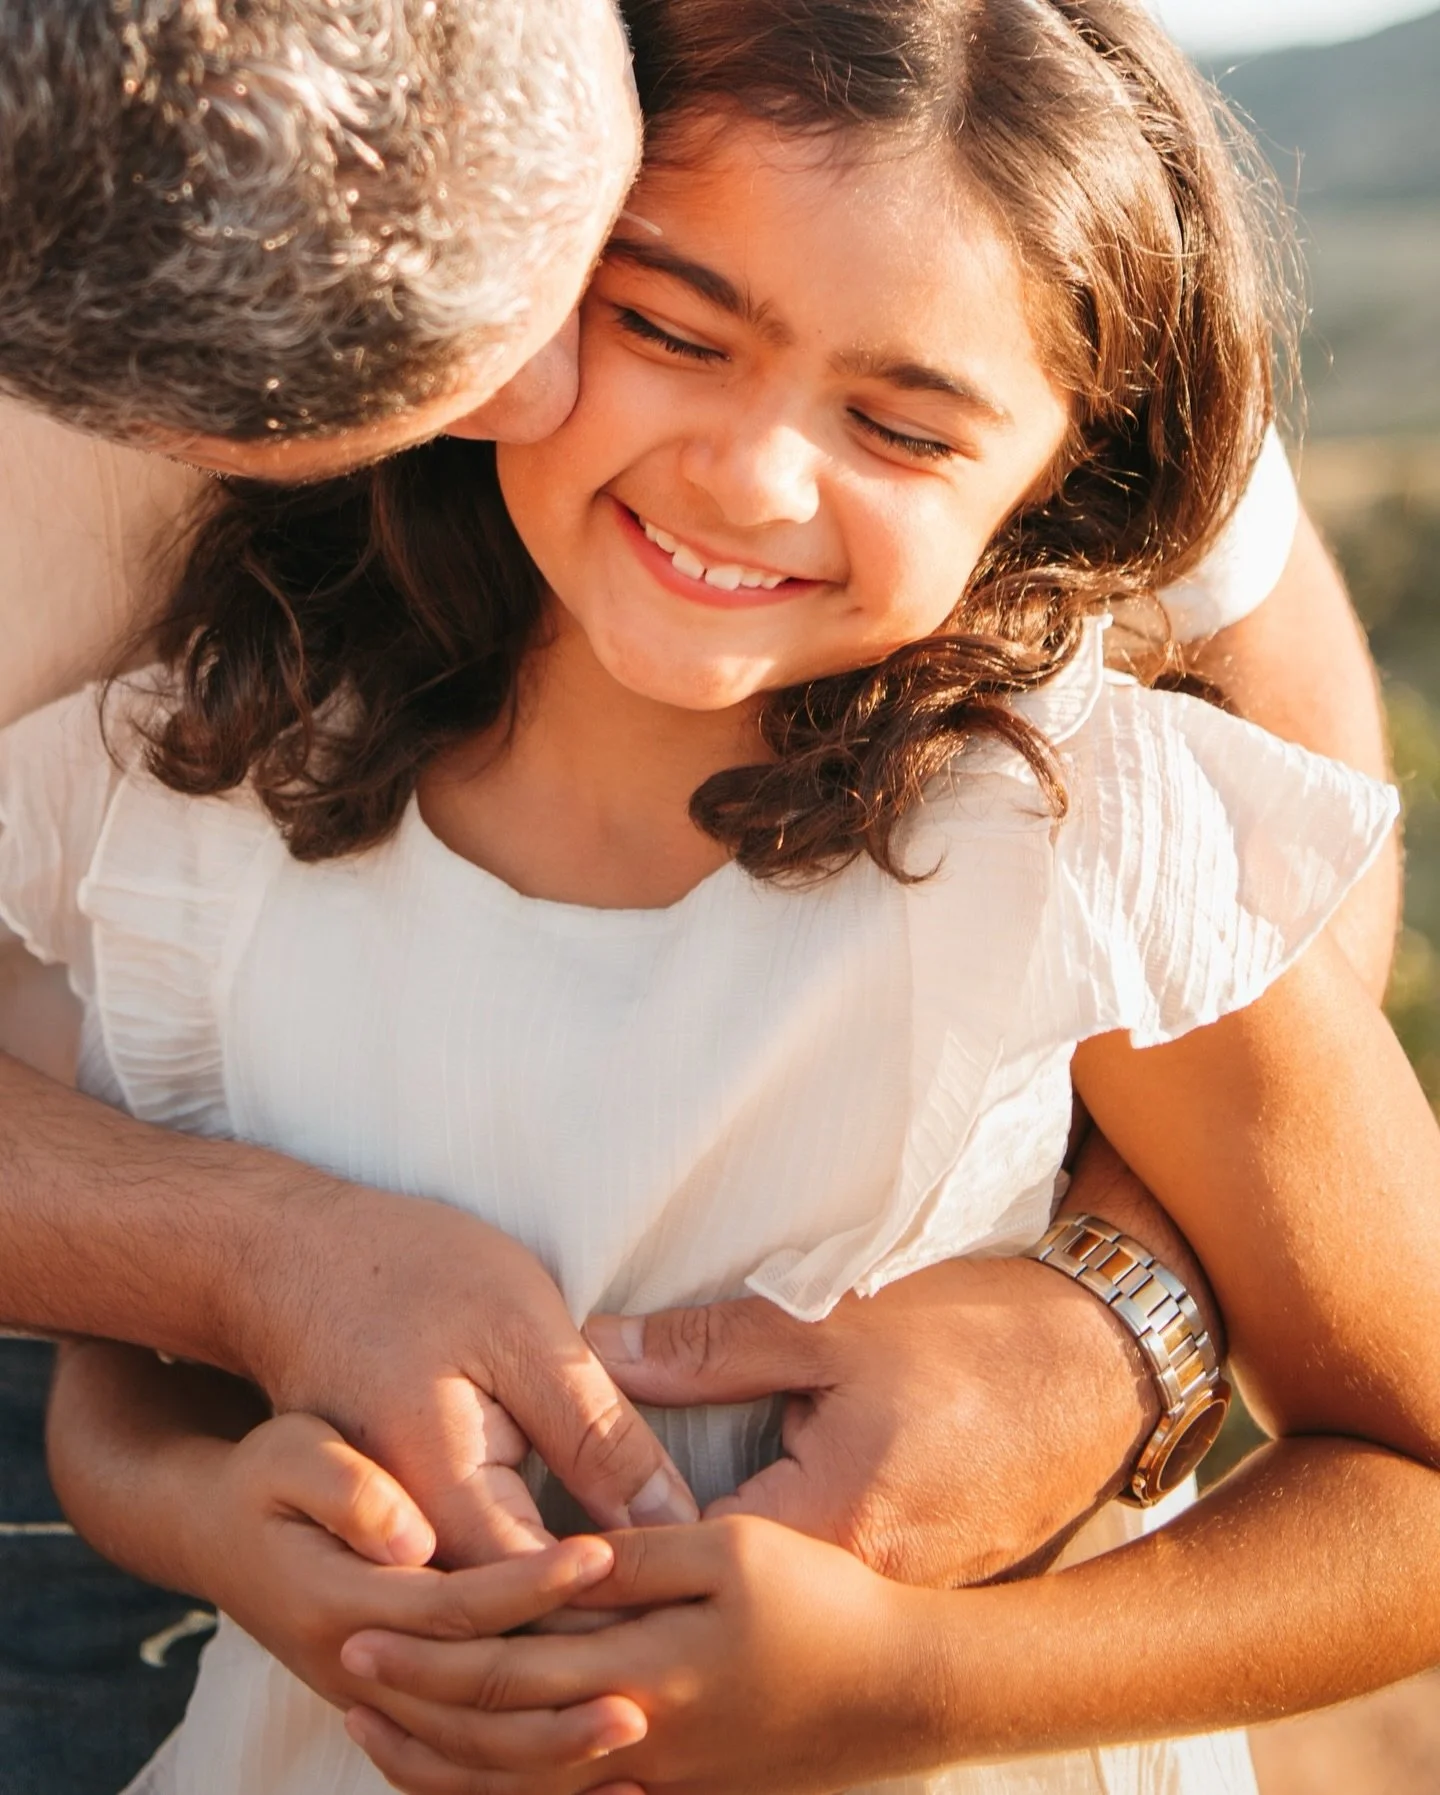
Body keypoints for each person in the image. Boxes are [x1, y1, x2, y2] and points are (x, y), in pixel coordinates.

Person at [13, 0, 1439, 1790]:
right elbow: (126, 1382)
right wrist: (220, 1518)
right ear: (522, 284)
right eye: (675, 329)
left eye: (908, 431)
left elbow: (1414, 1479)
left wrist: (918, 1675)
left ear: (1058, 474)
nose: (754, 473)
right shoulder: (199, 799)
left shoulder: (1086, 844)